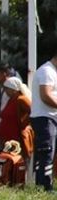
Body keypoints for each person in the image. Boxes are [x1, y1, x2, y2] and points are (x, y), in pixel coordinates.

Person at [31, 39, 57, 191]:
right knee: (46, 152)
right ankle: (44, 187)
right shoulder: (47, 71)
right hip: (44, 118)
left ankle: (45, 185)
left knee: (49, 153)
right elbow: (46, 95)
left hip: (51, 118)